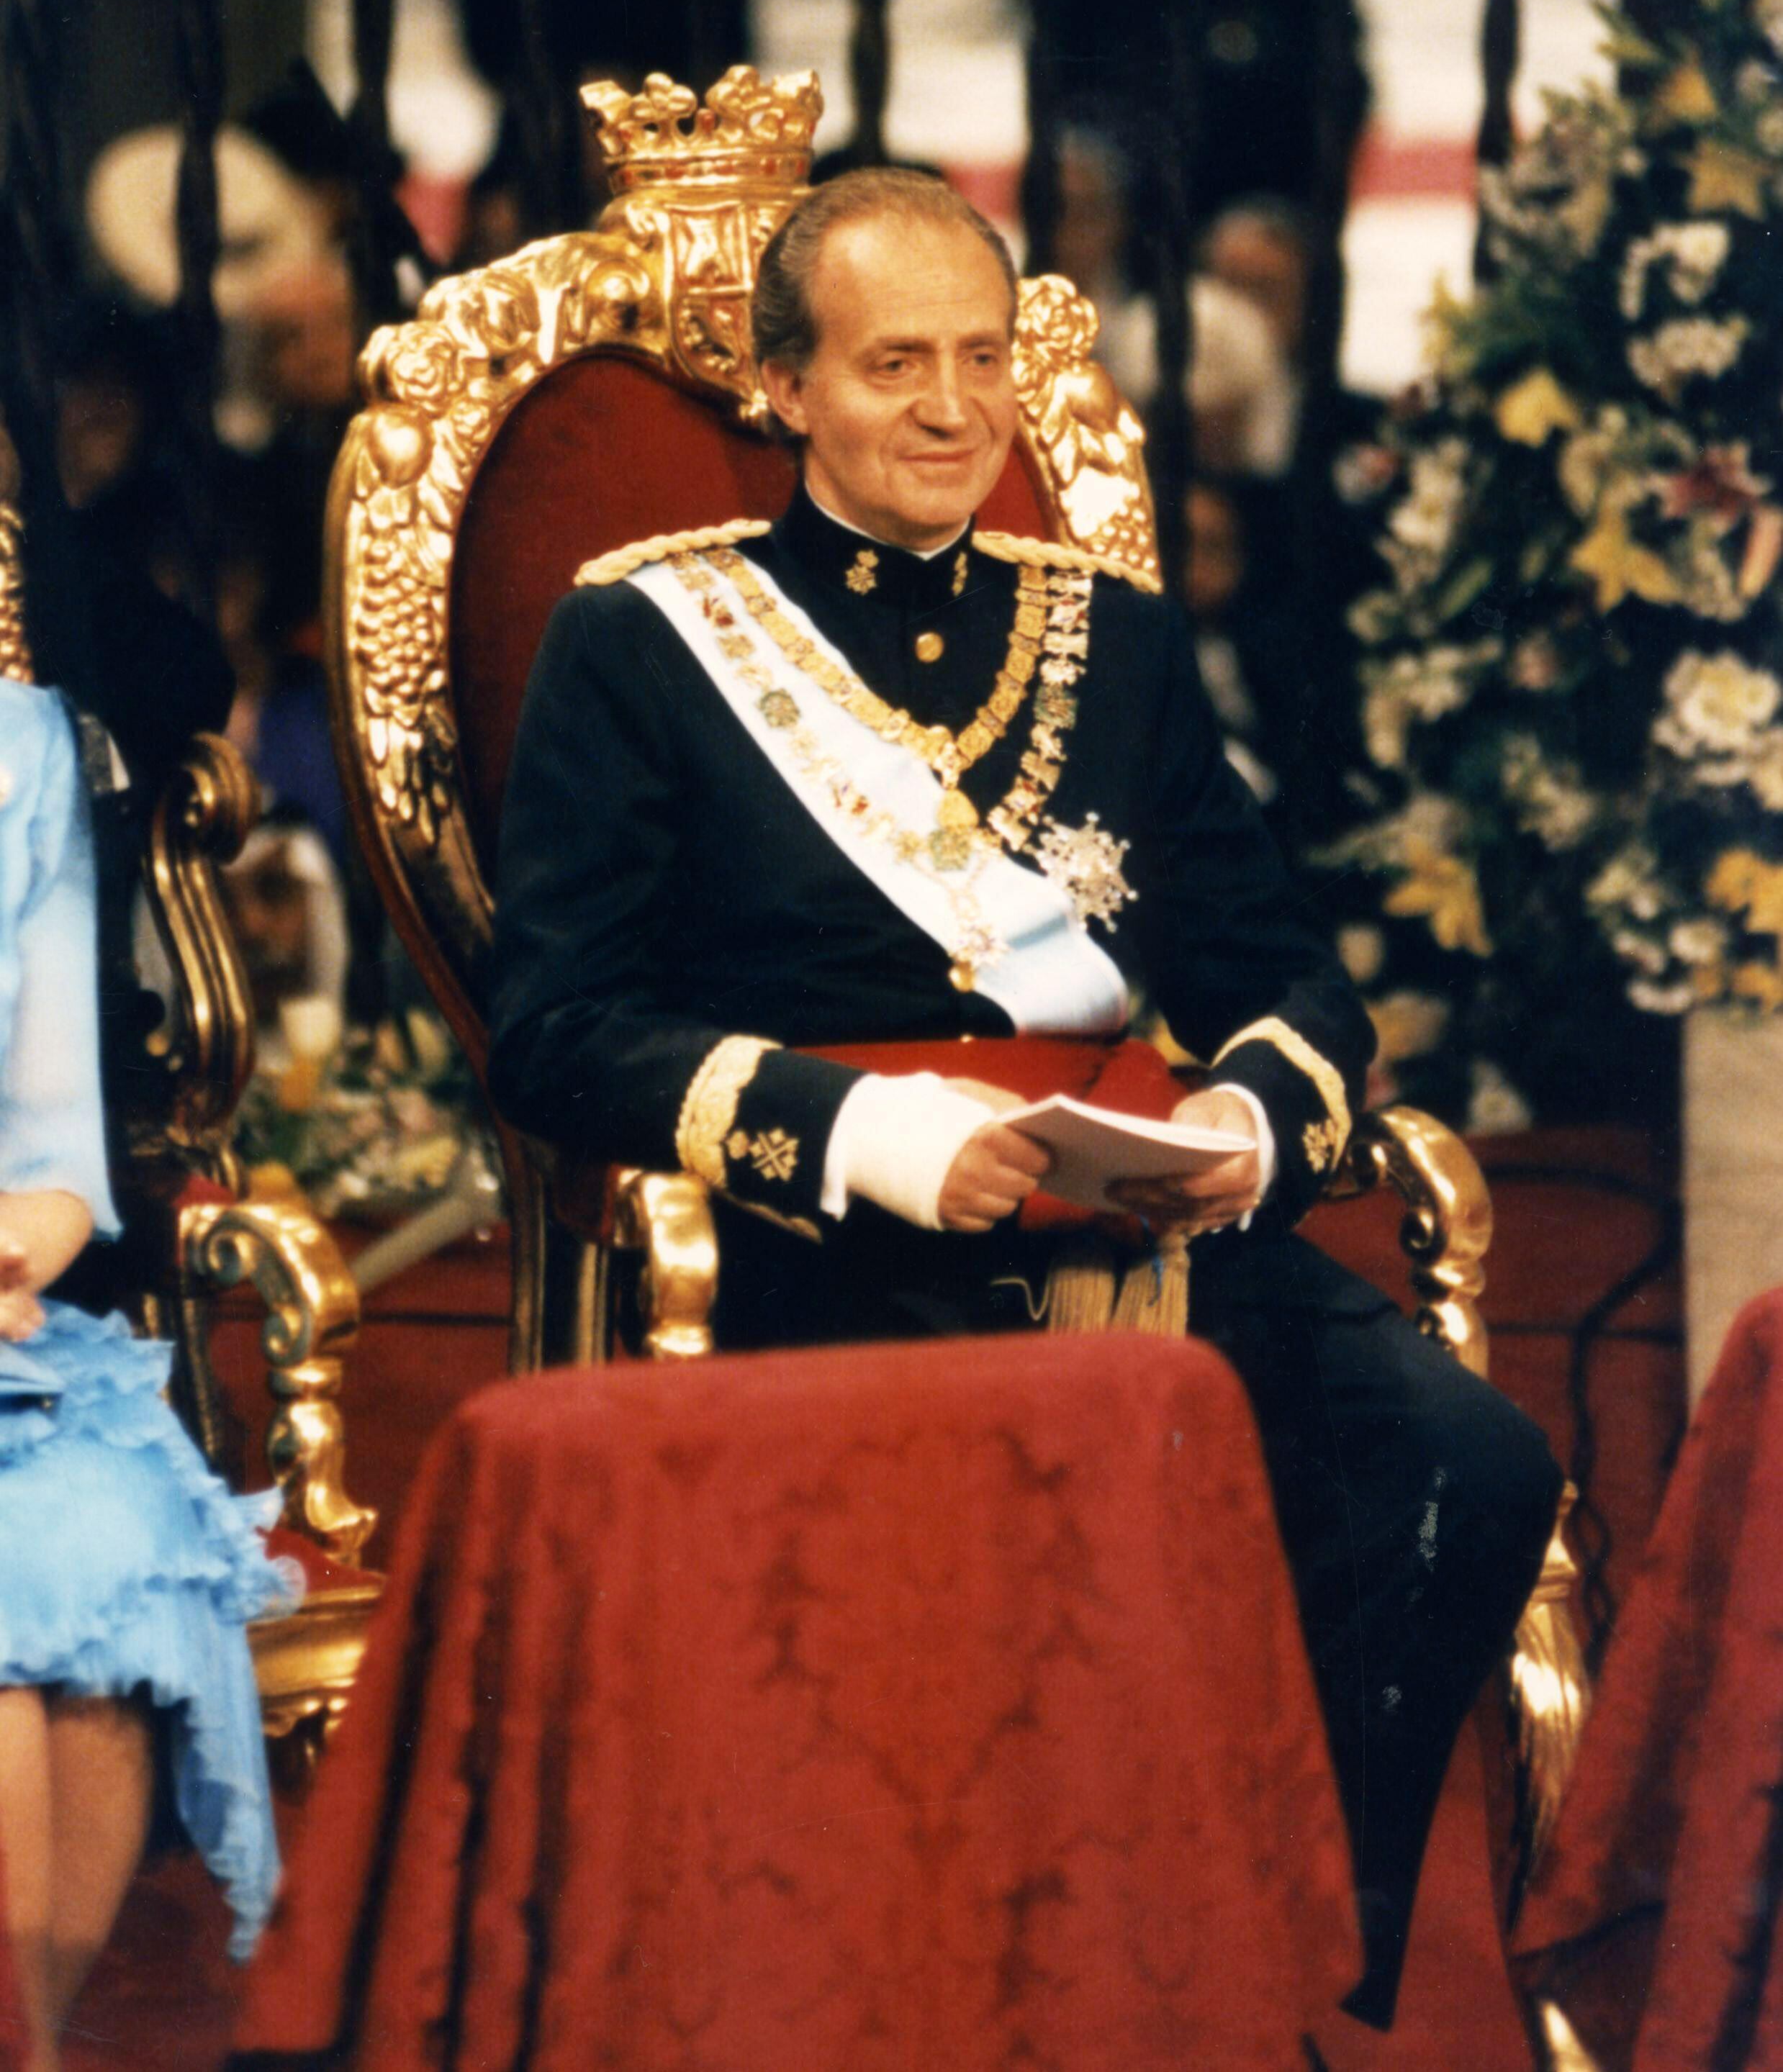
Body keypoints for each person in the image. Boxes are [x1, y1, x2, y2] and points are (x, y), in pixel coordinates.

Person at [488, 168, 1562, 2028]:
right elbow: (559, 1028)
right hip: (826, 1261)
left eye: (979, 357)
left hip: (1134, 1243)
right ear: (784, 390)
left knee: (1461, 1467)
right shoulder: (647, 646)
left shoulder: (1112, 645)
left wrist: (1234, 1131)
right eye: (890, 362)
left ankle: (1257, 1963)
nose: (949, 407)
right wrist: (877, 1140)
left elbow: (1278, 973)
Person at [0, 597, 297, 2068]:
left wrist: (15, 1239)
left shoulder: (26, 755)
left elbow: (58, 1164)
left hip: (6, 1335)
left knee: (107, 1562)